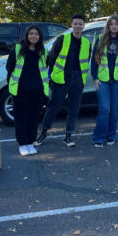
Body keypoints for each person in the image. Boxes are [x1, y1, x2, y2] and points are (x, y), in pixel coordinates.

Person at [34, 15, 91, 148]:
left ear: (83, 26)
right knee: (53, 107)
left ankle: (68, 136)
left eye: (80, 24)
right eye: (75, 23)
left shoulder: (86, 43)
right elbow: (52, 58)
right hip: (61, 78)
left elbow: (86, 61)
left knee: (73, 109)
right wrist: (55, 77)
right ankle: (43, 133)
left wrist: (79, 79)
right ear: (72, 25)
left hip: (78, 79)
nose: (78, 26)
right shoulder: (62, 39)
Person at [6, 25, 49, 156]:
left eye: (36, 34)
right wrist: (14, 88)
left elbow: (44, 69)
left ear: (39, 36)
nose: (33, 36)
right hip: (20, 91)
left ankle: (30, 142)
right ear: (27, 35)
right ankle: (22, 144)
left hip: (38, 92)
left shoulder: (43, 51)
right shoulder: (18, 49)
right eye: (31, 34)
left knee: (34, 119)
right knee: (21, 119)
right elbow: (10, 67)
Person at [91, 14, 118, 147]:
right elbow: (94, 61)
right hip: (103, 80)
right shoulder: (100, 39)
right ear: (108, 26)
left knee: (114, 110)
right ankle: (98, 137)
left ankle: (111, 136)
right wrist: (95, 78)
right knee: (104, 109)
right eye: (111, 24)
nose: (114, 26)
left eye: (116, 24)